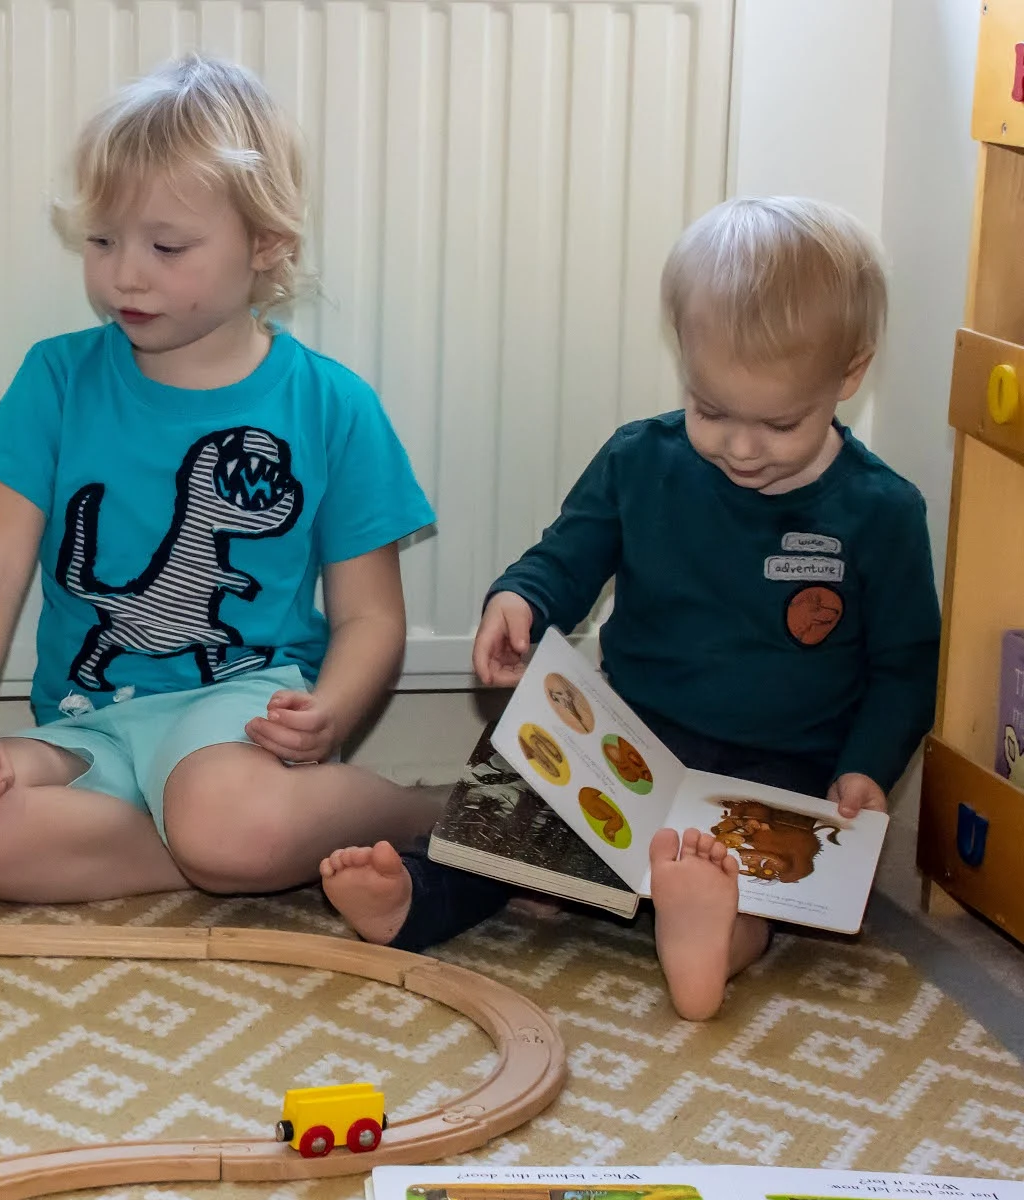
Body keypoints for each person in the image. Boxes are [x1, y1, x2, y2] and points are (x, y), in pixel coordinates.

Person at [321, 197, 940, 1020]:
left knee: (757, 878)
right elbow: (566, 555)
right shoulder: (639, 460)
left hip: (779, 764)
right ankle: (417, 897)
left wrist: (865, 765)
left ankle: (713, 935)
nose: (740, 447)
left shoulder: (880, 511)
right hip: (630, 742)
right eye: (711, 408)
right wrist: (519, 599)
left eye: (779, 421)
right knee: (506, 801)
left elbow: (904, 662)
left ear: (850, 375)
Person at [0, 55, 440, 903]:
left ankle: (423, 816)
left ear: (266, 244)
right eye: (104, 240)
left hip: (245, 718)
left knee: (223, 808)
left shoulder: (333, 404)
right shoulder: (56, 380)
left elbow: (370, 613)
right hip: (93, 725)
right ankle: (220, 852)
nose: (126, 274)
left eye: (167, 245)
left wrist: (332, 707)